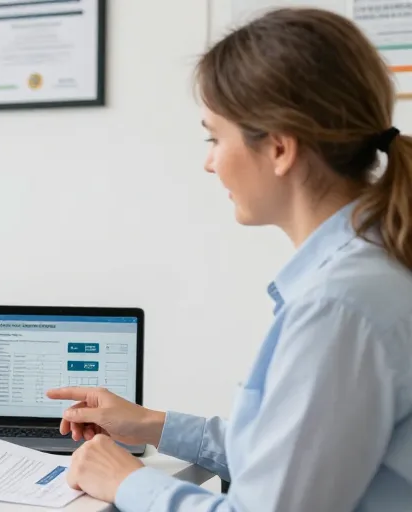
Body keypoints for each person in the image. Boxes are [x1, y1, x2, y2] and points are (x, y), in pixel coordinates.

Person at [47, 8, 412, 511]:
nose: (209, 161)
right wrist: (153, 424)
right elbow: (294, 453)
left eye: (214, 137)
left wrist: (126, 481)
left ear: (280, 148)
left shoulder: (340, 307)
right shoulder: (367, 271)